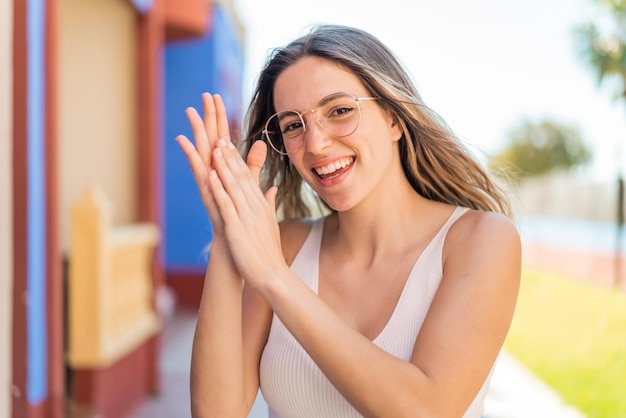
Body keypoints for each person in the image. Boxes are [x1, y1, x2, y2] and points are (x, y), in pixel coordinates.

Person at [176, 24, 521, 418]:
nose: (316, 144)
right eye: (293, 125)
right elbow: (216, 412)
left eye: (339, 110)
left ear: (394, 118)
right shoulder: (284, 245)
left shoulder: (480, 240)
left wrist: (275, 277)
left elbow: (427, 410)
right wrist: (227, 231)